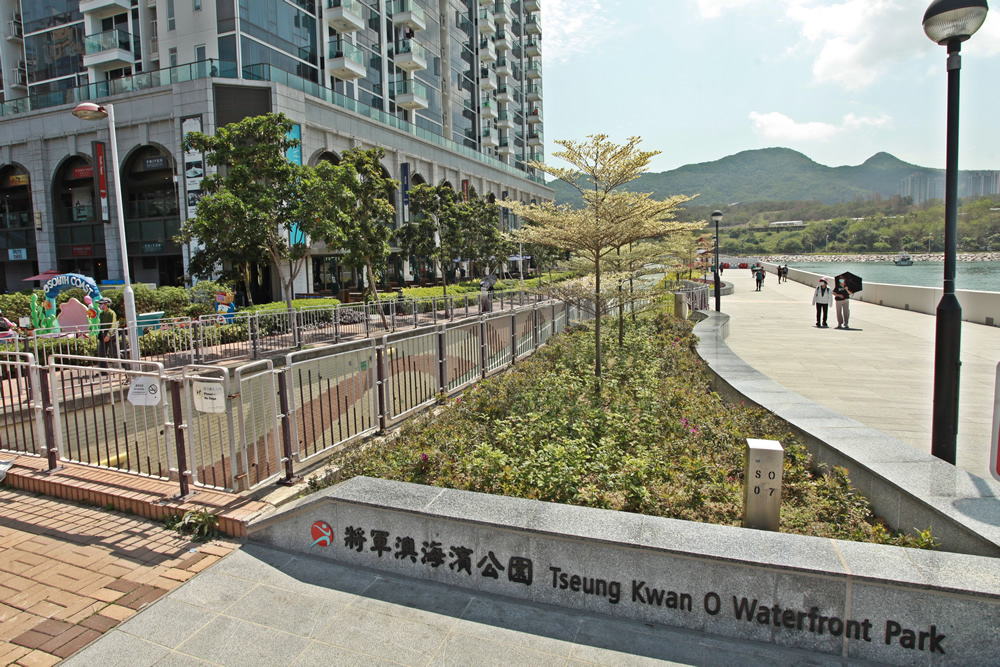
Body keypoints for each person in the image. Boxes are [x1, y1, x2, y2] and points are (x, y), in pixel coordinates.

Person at [96, 298, 118, 368]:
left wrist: (108, 335)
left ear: (107, 304)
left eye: (102, 304)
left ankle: (125, 367)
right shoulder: (101, 314)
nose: (100, 305)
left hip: (110, 334)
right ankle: (103, 371)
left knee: (114, 353)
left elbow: (113, 324)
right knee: (102, 353)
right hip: (103, 334)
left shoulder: (111, 313)